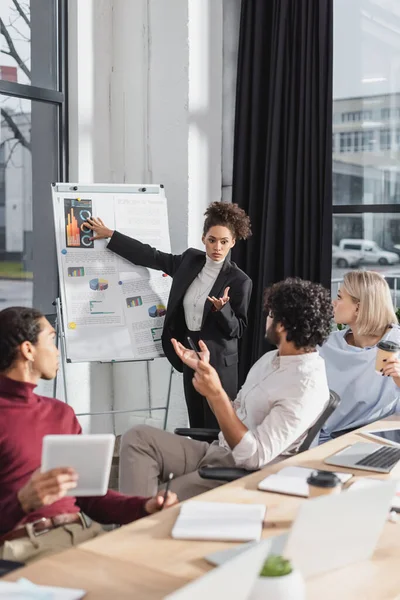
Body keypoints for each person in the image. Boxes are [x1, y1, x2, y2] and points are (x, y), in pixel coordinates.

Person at [118, 278, 332, 501]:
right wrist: (206, 372)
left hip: (243, 473)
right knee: (137, 437)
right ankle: (133, 519)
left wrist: (215, 393)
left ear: (281, 326)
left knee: (154, 499)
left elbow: (254, 457)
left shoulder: (305, 387)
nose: (266, 319)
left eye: (270, 314)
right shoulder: (272, 359)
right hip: (219, 450)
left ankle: (133, 523)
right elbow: (235, 410)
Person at [0, 307, 177, 564]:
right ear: (28, 350)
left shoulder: (60, 413)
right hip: (27, 547)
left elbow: (90, 498)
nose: (57, 350)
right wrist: (21, 503)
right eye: (51, 340)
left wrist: (144, 506)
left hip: (86, 535)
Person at [86, 202, 252, 429]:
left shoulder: (240, 280)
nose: (217, 247)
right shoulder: (189, 261)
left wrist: (222, 310)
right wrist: (111, 236)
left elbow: (239, 329)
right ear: (203, 238)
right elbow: (151, 256)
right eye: (212, 240)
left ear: (233, 242)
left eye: (224, 242)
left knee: (219, 429)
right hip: (190, 357)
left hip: (219, 364)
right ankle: (196, 465)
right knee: (196, 425)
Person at [318, 270, 400, 443]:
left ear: (359, 307)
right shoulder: (328, 345)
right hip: (324, 439)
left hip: (376, 440)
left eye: (339, 297)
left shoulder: (395, 343)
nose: (334, 302)